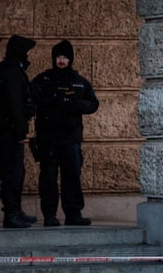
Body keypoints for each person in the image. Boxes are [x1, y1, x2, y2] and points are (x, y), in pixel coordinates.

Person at [31, 40, 99, 226]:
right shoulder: (43, 80)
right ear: (54, 58)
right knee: (48, 179)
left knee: (72, 177)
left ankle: (73, 214)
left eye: (65, 57)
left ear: (70, 59)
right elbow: (30, 100)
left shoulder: (79, 82)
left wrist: (75, 104)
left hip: (71, 138)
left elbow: (93, 104)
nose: (61, 61)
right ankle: (50, 215)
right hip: (48, 138)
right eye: (58, 57)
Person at [0, 35, 37, 228]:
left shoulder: (4, 70)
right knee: (13, 172)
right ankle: (11, 213)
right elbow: (14, 104)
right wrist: (21, 129)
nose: (29, 54)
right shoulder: (12, 73)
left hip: (6, 126)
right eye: (27, 51)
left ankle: (15, 210)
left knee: (15, 171)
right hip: (10, 128)